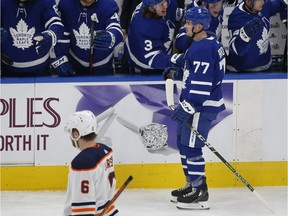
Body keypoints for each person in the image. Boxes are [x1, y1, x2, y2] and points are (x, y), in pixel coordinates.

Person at [164, 6, 226, 210]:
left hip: (201, 107)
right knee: (183, 142)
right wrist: (181, 66)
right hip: (194, 104)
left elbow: (202, 85)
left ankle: (200, 190)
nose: (185, 26)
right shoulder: (202, 45)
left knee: (192, 147)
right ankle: (191, 184)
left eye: (189, 23)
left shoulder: (202, 49)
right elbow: (196, 73)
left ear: (200, 26)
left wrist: (189, 106)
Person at [63, 110, 119, 216]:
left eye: (71, 132)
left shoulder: (82, 163)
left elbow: (83, 210)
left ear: (76, 134)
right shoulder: (106, 150)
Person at [53, 0, 123, 75]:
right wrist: (60, 57)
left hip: (103, 65)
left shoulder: (108, 4)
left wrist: (111, 37)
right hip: (74, 64)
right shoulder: (66, 4)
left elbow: (116, 28)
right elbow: (62, 32)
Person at [1, 0, 64, 77]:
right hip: (8, 69)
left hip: (40, 69)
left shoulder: (45, 2)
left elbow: (56, 24)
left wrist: (51, 34)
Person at [124, 0, 185, 74]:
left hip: (162, 51)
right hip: (144, 65)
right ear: (151, 8)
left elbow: (174, 13)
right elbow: (151, 59)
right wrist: (173, 59)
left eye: (166, 1)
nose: (166, 5)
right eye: (162, 4)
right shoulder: (145, 27)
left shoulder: (162, 5)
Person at [227, 0, 287, 72]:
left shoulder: (263, 5)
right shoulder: (236, 17)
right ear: (248, 2)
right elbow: (236, 49)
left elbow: (280, 4)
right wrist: (244, 35)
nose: (263, 2)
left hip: (265, 67)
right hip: (241, 71)